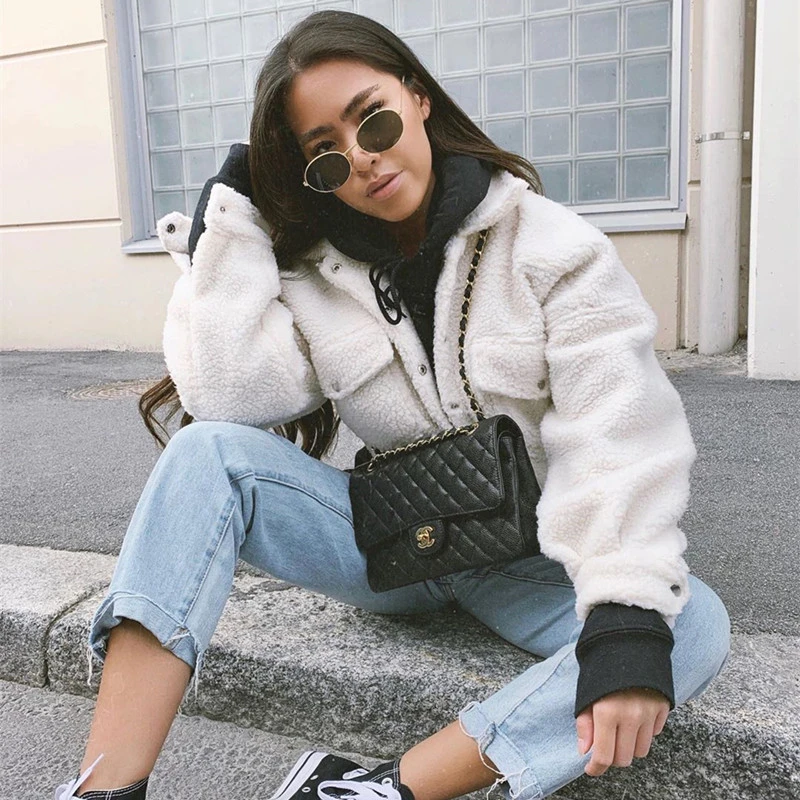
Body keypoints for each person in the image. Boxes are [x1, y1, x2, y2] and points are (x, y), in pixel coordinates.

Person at [54, 10, 730, 800]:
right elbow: (227, 393)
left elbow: (619, 432)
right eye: (325, 156)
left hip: (532, 563)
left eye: (372, 120)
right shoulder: (316, 273)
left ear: (418, 97)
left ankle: (371, 790)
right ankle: (104, 788)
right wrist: (231, 220)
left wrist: (620, 614)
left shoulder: (552, 249)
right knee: (205, 455)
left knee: (681, 625)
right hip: (394, 547)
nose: (362, 159)